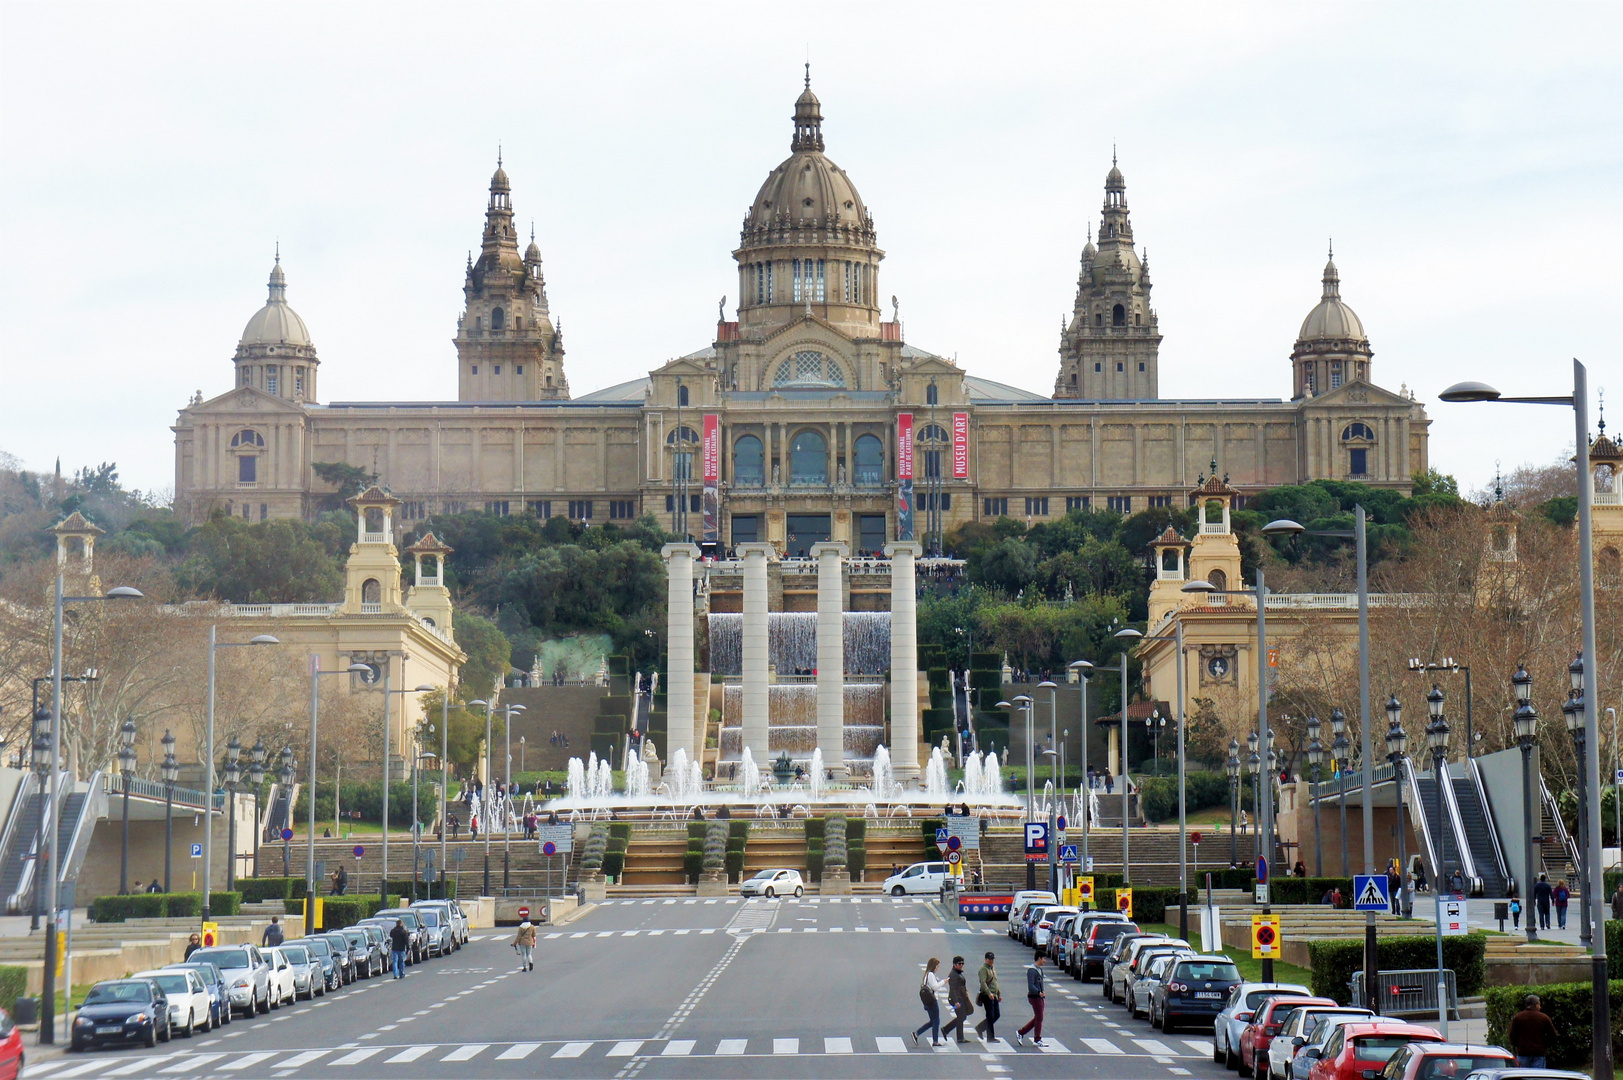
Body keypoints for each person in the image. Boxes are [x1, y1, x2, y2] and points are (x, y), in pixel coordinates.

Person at [1507, 993, 1557, 1068]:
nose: (1540, 1007)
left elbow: (1512, 1036)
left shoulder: (1518, 1018)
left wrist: (1519, 1045)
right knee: (1537, 1075)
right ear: (1535, 1005)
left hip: (1523, 1053)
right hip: (1539, 1053)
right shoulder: (1543, 1018)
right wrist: (1544, 1045)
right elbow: (1553, 1035)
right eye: (1539, 1004)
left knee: (1523, 1075)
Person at [1016, 951, 1047, 1047]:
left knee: (1038, 1018)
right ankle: (1037, 1039)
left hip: (1039, 996)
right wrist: (1038, 992)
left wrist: (1042, 992)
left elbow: (1040, 984)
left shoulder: (1039, 970)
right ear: (1039, 958)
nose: (1045, 961)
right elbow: (1031, 985)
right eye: (1044, 958)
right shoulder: (1032, 970)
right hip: (1034, 997)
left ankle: (1021, 1033)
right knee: (1039, 1017)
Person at [913, 957, 946, 1046]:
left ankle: (916, 1034)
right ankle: (935, 1041)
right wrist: (944, 982)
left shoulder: (927, 975)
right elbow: (935, 987)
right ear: (934, 966)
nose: (938, 968)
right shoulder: (931, 975)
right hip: (932, 1001)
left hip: (926, 1001)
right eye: (937, 966)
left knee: (933, 1021)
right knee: (936, 1021)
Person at [940, 956, 973, 1044]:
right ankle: (959, 1037)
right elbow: (953, 990)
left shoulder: (957, 972)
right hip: (957, 999)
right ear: (954, 964)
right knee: (961, 1016)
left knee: (962, 1016)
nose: (961, 965)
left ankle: (946, 1029)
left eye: (962, 963)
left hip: (960, 998)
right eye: (959, 963)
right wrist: (956, 1002)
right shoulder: (953, 975)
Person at [973, 951, 1001, 1042]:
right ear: (985, 959)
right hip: (987, 995)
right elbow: (983, 983)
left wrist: (999, 994)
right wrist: (989, 994)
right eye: (989, 959)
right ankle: (990, 1037)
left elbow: (995, 982)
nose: (991, 960)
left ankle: (980, 1028)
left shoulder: (992, 968)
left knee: (996, 1014)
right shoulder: (983, 969)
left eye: (992, 959)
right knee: (990, 1016)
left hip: (994, 995)